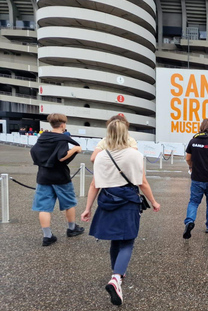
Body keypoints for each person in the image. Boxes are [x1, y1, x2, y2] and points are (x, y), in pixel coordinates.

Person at [81, 119, 160, 306]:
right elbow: (143, 183)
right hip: (127, 201)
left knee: (115, 239)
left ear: (108, 134)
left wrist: (87, 208)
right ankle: (116, 278)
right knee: (127, 241)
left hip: (107, 200)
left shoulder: (100, 156)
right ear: (126, 134)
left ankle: (117, 271)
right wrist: (154, 202)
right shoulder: (135, 155)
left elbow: (94, 185)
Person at [30, 113, 84, 246]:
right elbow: (62, 157)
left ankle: (47, 236)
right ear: (63, 125)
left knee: (44, 207)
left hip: (43, 176)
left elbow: (33, 151)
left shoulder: (43, 137)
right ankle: (72, 229)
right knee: (69, 203)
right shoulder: (62, 139)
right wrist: (75, 149)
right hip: (60, 177)